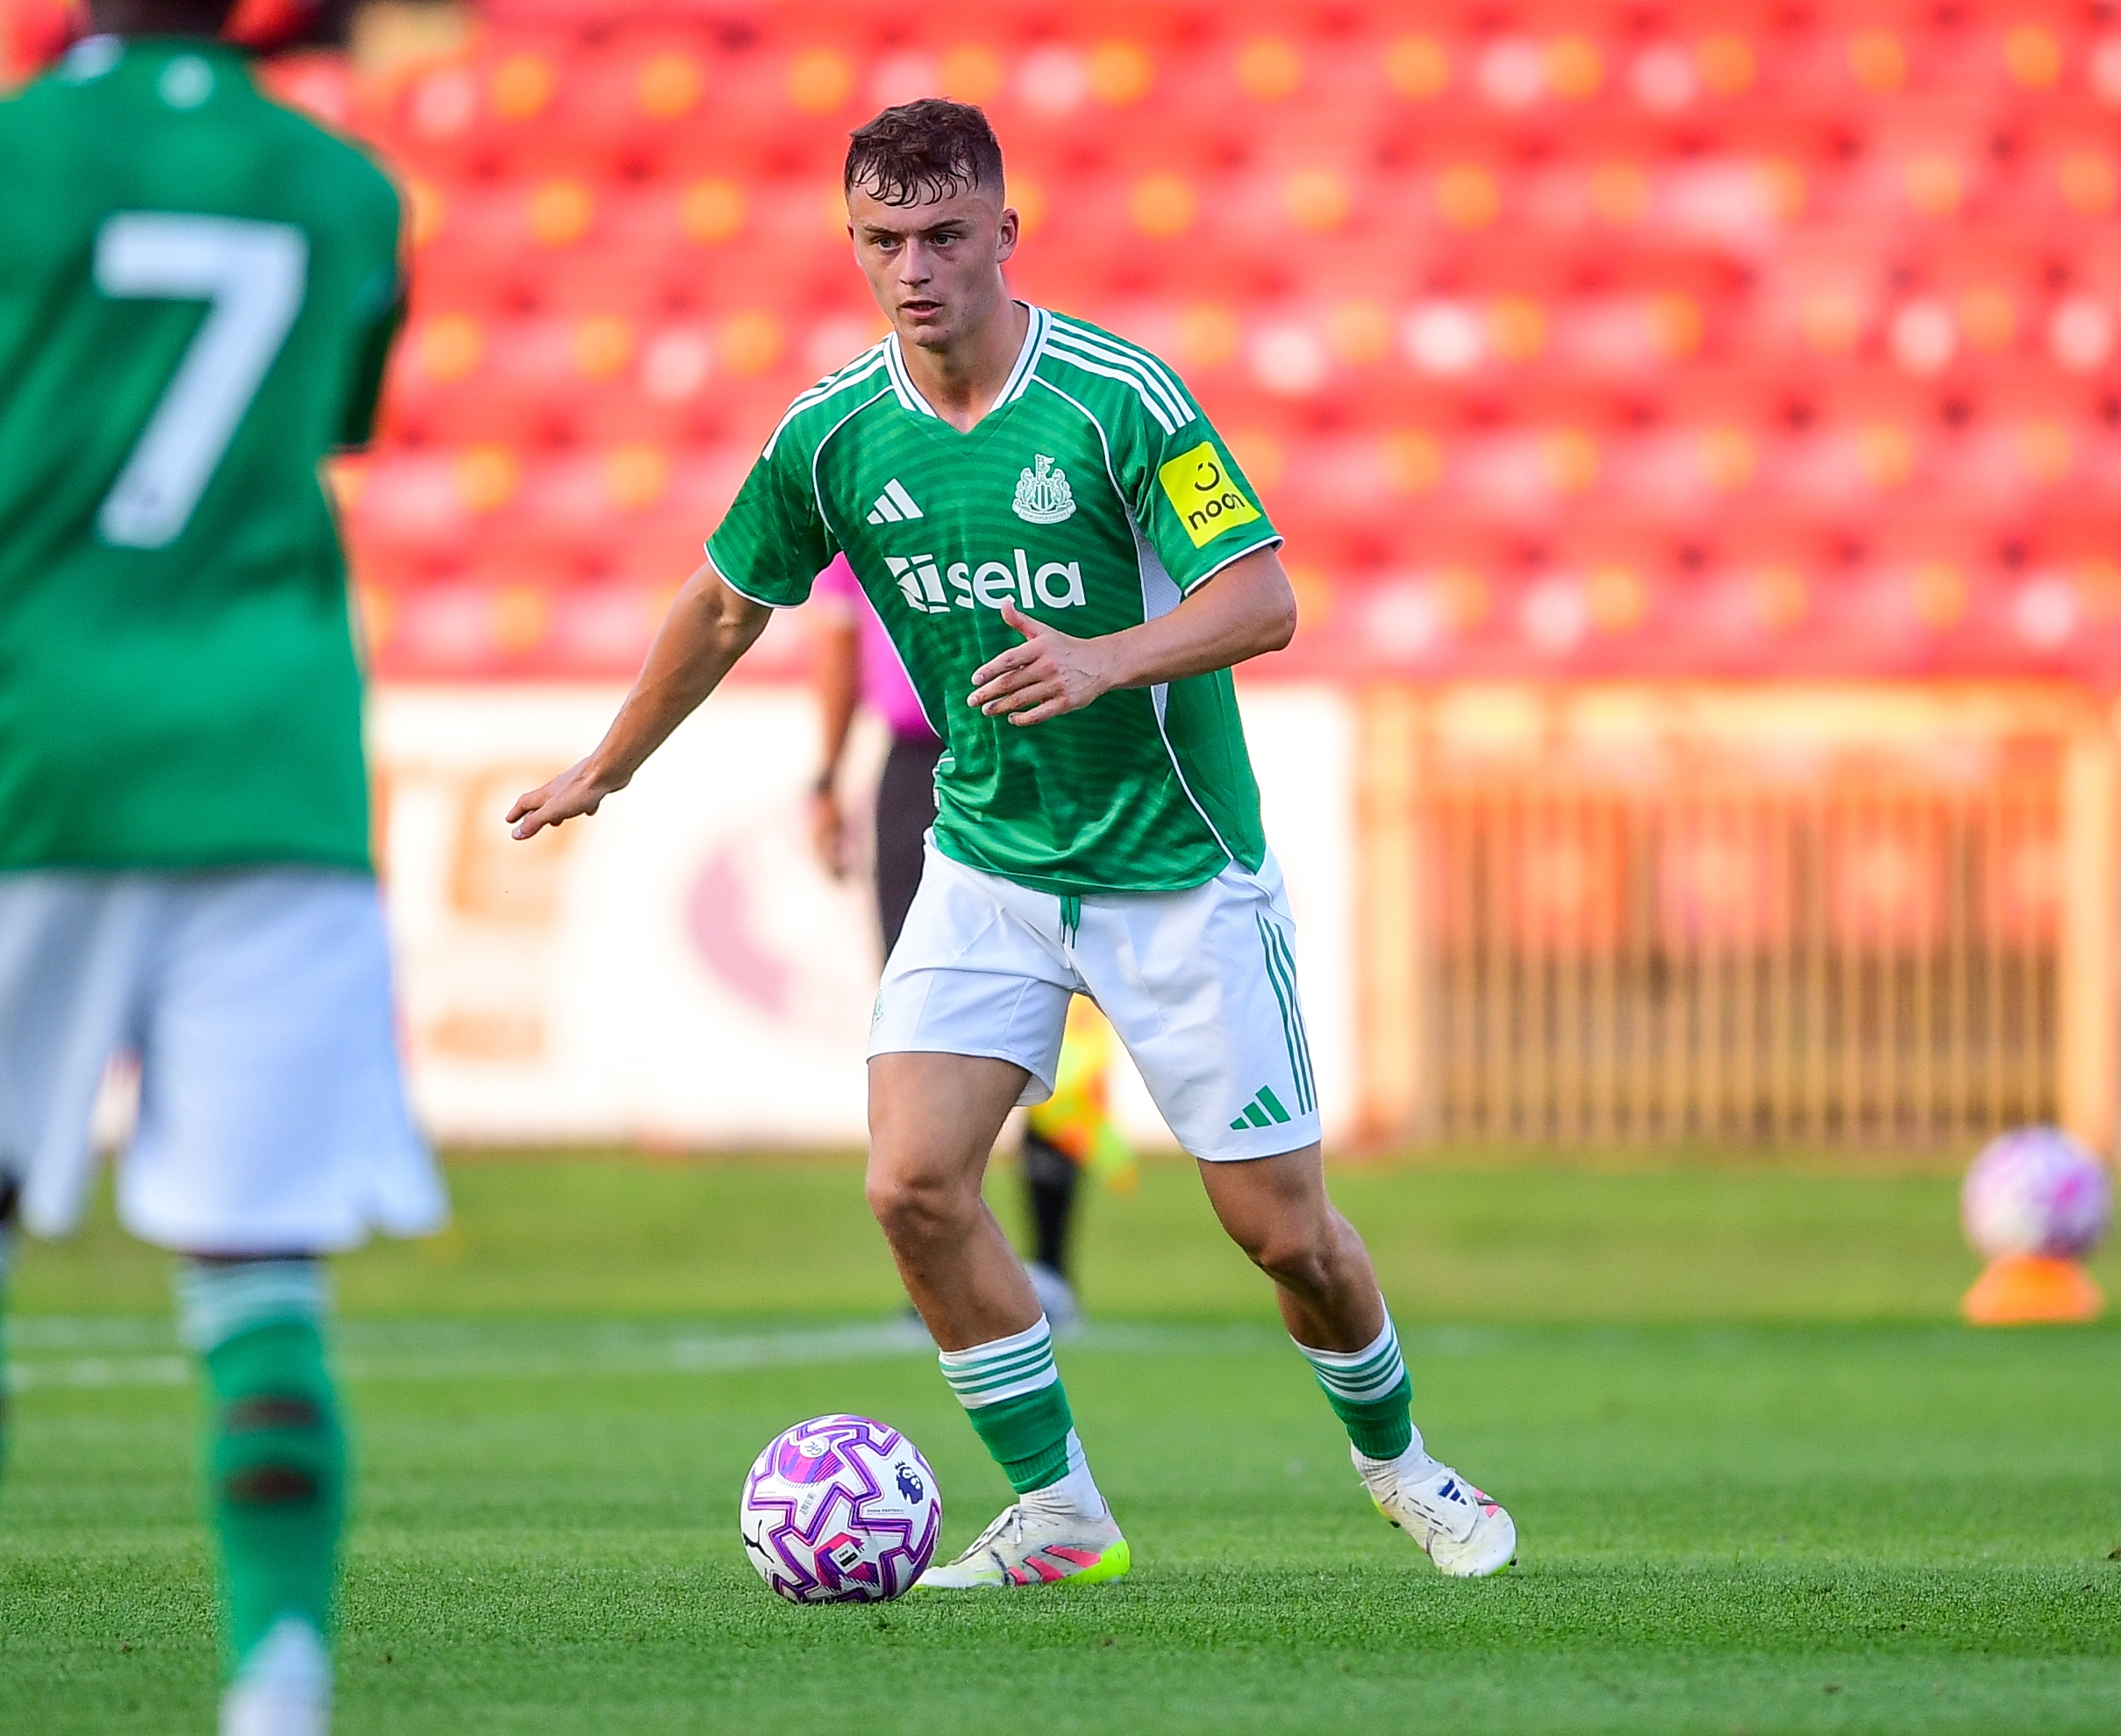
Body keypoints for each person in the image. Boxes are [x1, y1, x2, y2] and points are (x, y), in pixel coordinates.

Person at [509, 98, 1515, 1590]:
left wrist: (1105, 656)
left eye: (941, 235)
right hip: (990, 858)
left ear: (1001, 234)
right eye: (881, 240)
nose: (913, 269)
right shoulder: (832, 431)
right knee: (909, 1182)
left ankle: (1399, 1461)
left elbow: (1261, 599)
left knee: (1283, 1233)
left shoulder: (1119, 398)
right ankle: (1060, 1512)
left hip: (1175, 866)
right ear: (849, 242)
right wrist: (611, 759)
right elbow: (727, 601)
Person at [0, 5, 443, 1732]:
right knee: (257, 1272)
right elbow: (338, 415)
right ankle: (277, 1693)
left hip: (33, 750)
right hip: (277, 760)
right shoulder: (345, 191)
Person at [807, 554, 1133, 1326]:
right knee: (929, 1022)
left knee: (1071, 1017)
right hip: (917, 765)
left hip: (1046, 751)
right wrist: (825, 776)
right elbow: (841, 638)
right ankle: (957, 1262)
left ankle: (1051, 1264)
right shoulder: (864, 480)